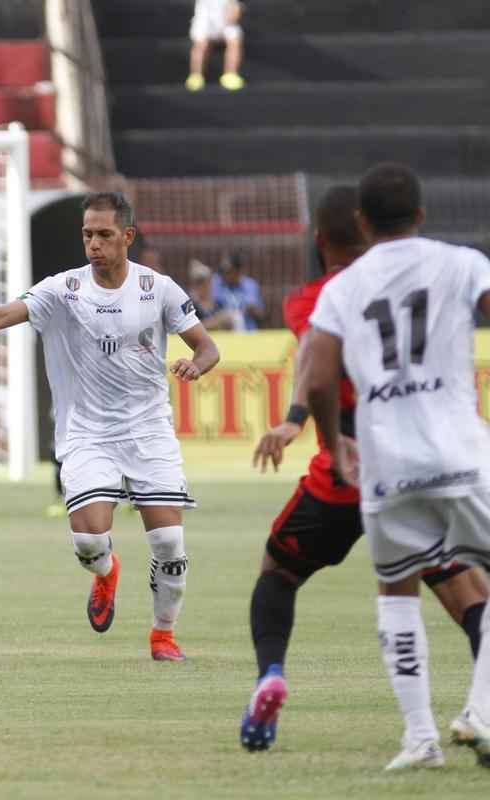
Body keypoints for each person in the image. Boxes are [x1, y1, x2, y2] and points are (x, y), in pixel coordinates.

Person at [242, 184, 488, 754]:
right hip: (437, 458)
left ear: (322, 237)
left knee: (279, 571)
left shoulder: (318, 297)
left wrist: (297, 423)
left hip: (352, 467)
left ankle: (272, 673)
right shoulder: (437, 270)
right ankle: (477, 712)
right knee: (469, 595)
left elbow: (316, 366)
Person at [0, 192, 219, 661]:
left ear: (127, 236)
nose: (94, 244)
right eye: (87, 235)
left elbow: (207, 347)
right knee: (88, 541)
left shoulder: (158, 288)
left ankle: (163, 636)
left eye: (104, 234)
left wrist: (195, 365)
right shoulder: (63, 289)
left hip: (149, 431)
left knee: (169, 542)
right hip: (87, 434)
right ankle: (105, 572)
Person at [186, 0, 245, 91]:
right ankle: (196, 76)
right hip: (205, 14)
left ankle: (231, 74)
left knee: (235, 40)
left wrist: (235, 5)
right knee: (201, 44)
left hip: (227, 11)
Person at [213, 252, 264, 331]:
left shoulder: (250, 286)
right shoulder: (218, 283)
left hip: (248, 331)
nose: (224, 274)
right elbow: (211, 307)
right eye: (223, 272)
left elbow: (260, 313)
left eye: (228, 271)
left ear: (238, 271)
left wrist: (252, 309)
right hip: (225, 332)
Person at [187, 259, 234, 331]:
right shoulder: (189, 305)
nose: (207, 286)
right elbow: (188, 327)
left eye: (209, 282)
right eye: (199, 283)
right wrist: (216, 322)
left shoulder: (218, 303)